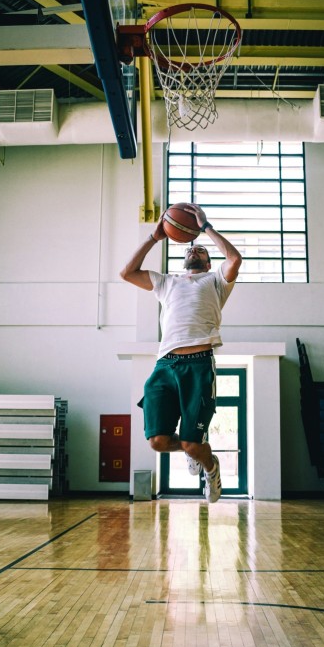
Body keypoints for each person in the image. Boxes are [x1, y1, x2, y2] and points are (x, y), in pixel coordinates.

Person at [120, 203, 242, 503]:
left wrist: (206, 227)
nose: (195, 251)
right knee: (159, 442)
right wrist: (154, 236)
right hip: (165, 363)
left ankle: (209, 467)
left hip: (198, 364)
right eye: (192, 250)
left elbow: (234, 258)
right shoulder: (166, 282)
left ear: (208, 262)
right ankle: (195, 449)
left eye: (201, 251)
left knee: (190, 443)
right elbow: (126, 272)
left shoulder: (216, 282)